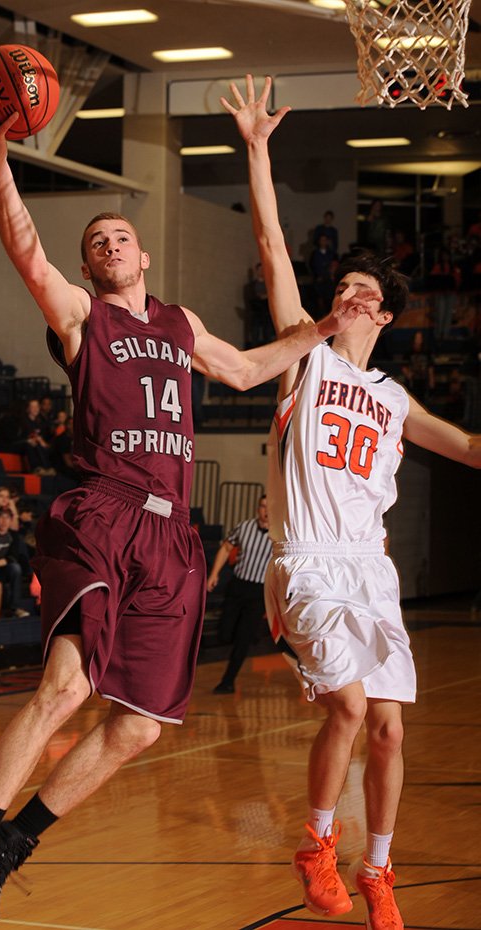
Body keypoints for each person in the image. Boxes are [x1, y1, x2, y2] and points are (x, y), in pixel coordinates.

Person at [0, 86, 370, 924]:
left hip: (174, 539)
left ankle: (7, 850)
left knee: (140, 726)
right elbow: (26, 248)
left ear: (141, 256)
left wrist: (323, 326)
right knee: (66, 685)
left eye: (120, 236)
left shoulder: (177, 323)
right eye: (96, 241)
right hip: (102, 510)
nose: (109, 244)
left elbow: (245, 370)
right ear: (91, 265)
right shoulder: (78, 317)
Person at [224, 74, 481, 930]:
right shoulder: (310, 358)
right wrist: (258, 150)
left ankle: (378, 869)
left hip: (372, 569)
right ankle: (316, 845)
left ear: (387, 315)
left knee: (390, 733)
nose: (353, 297)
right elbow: (271, 250)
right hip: (309, 563)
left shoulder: (396, 398)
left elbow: (473, 449)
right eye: (346, 289)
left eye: (367, 294)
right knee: (347, 706)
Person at [207, 494, 272, 694]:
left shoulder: (281, 534)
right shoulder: (244, 526)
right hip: (238, 586)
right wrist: (214, 574)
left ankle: (228, 681)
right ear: (257, 508)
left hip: (259, 591)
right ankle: (254, 632)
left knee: (242, 639)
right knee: (225, 632)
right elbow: (226, 547)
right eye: (262, 506)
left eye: (269, 507)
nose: (265, 511)